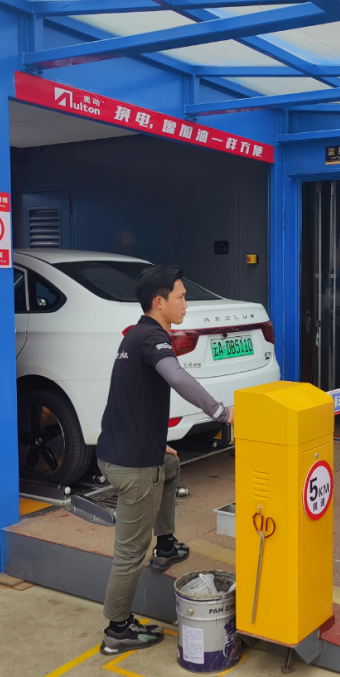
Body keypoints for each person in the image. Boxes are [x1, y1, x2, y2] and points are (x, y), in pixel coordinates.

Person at [96, 265, 234, 656]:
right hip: (133, 467)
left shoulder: (135, 334)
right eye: (181, 297)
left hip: (120, 451)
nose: (186, 304)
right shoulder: (153, 339)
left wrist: (156, 443)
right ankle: (117, 629)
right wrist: (220, 412)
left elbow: (130, 398)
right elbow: (178, 378)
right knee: (129, 553)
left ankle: (167, 545)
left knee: (171, 467)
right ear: (159, 302)